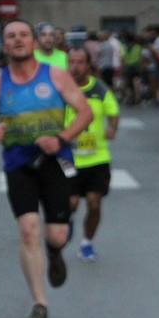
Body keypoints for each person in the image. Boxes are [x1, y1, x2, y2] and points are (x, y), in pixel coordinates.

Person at [0, 19, 93, 318]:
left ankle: (55, 252)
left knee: (57, 234)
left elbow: (85, 112)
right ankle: (40, 303)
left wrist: (61, 139)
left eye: (23, 35)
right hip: (18, 165)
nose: (18, 40)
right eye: (11, 35)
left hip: (55, 160)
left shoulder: (54, 75)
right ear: (4, 44)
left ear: (34, 42)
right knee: (28, 230)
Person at [64, 47, 119, 262]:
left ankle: (87, 242)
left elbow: (113, 111)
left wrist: (113, 128)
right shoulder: (62, 90)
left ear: (88, 65)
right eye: (72, 62)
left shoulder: (99, 89)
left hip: (97, 157)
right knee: (72, 202)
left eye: (80, 62)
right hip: (68, 158)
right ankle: (66, 220)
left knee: (94, 202)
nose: (75, 67)